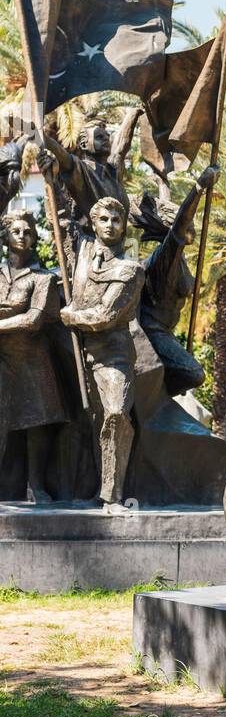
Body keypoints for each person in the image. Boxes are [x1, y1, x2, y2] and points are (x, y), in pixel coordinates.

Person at [59, 197, 145, 513]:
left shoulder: (130, 270)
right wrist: (52, 167)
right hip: (77, 354)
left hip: (114, 355)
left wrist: (71, 317)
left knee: (117, 414)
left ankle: (113, 497)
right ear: (94, 223)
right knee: (92, 424)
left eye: (116, 220)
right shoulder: (81, 251)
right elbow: (61, 216)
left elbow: (104, 315)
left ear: (124, 226)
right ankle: (86, 489)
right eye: (104, 219)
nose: (110, 225)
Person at [0, 210, 67, 502]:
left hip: (33, 360)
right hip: (3, 359)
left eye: (27, 231)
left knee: (36, 425)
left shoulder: (43, 278)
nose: (22, 236)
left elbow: (34, 319)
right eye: (16, 231)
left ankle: (36, 485)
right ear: (5, 237)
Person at [137, 165, 219, 395]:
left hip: (167, 333)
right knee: (194, 374)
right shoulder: (165, 256)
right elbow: (181, 221)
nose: (191, 224)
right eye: (187, 220)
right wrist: (199, 187)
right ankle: (156, 396)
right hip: (153, 333)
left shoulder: (177, 259)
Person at [37, 107, 142, 232]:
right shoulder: (80, 170)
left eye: (106, 136)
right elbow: (61, 153)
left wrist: (133, 114)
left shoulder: (113, 171)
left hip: (120, 245)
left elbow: (121, 145)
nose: (106, 139)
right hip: (92, 244)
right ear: (83, 144)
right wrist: (32, 130)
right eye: (99, 137)